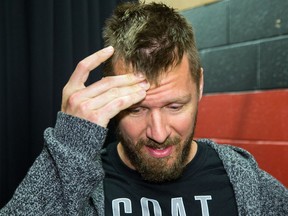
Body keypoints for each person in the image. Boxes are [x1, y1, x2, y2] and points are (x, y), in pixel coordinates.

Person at [1, 1, 287, 215]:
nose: (159, 134)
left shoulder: (245, 181)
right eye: (136, 110)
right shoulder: (82, 184)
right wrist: (69, 143)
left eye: (175, 106)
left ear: (199, 85)